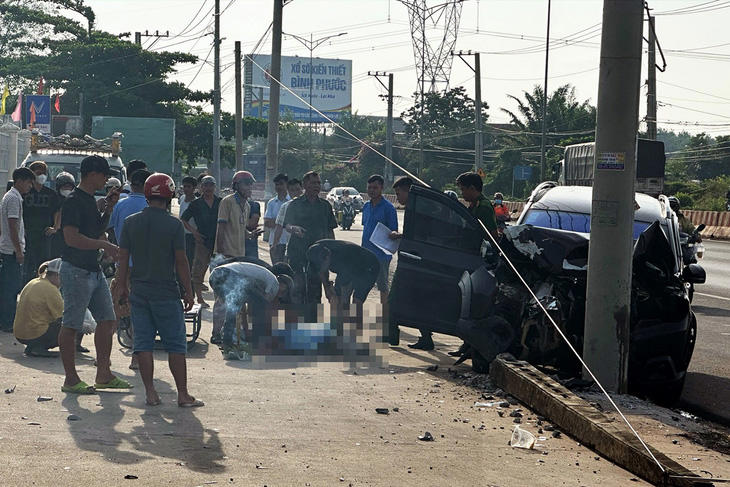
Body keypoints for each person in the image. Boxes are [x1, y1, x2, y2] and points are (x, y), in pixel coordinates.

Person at [116, 173, 202, 407]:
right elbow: (181, 261)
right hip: (166, 292)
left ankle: (151, 393)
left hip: (139, 291)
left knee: (143, 343)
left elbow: (123, 258)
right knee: (175, 345)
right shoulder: (173, 224)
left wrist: (122, 286)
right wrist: (188, 290)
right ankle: (182, 395)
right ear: (170, 195)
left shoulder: (130, 222)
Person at [58, 155, 131, 395]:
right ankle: (70, 379)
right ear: (91, 174)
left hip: (93, 269)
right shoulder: (74, 202)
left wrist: (109, 209)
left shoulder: (90, 200)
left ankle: (103, 374)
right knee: (71, 325)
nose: (106, 180)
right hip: (76, 270)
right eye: (103, 175)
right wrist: (104, 246)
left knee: (108, 320)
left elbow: (97, 230)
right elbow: (72, 238)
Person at [209, 261, 291, 360]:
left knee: (233, 309)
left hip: (215, 276)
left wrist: (247, 330)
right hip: (229, 274)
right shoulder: (274, 284)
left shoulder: (259, 284)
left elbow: (245, 310)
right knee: (260, 307)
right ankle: (257, 343)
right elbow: (261, 309)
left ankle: (227, 342)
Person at [283, 171, 337, 316]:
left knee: (315, 292)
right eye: (313, 183)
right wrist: (294, 229)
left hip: (318, 256)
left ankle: (314, 326)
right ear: (305, 184)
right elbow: (286, 225)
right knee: (297, 290)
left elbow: (330, 231)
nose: (317, 186)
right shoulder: (295, 204)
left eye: (318, 183)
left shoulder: (325, 206)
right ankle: (296, 325)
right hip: (297, 254)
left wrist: (333, 251)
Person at [386, 176, 432, 349]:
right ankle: (420, 336)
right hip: (411, 259)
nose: (397, 198)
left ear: (408, 191)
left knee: (396, 298)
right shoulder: (415, 208)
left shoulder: (418, 210)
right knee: (412, 300)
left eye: (399, 193)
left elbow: (419, 236)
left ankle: (393, 334)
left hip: (415, 262)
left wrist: (399, 236)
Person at [0, 168, 36, 332]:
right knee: (10, 288)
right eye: (29, 183)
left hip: (9, 248)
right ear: (20, 181)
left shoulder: (11, 197)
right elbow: (12, 225)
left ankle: (6, 320)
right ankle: (7, 322)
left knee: (9, 287)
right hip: (11, 251)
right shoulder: (13, 198)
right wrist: (18, 250)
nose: (30, 186)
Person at [181, 175, 221, 307]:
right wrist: (195, 232)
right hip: (202, 241)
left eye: (211, 185)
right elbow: (184, 219)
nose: (208, 188)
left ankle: (218, 298)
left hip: (218, 242)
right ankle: (199, 298)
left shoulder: (221, 202)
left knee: (219, 272)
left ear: (215, 187)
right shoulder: (196, 204)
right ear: (201, 187)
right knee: (198, 271)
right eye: (206, 185)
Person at [307, 239, 380, 309]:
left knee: (356, 303)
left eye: (323, 267)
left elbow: (345, 294)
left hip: (369, 267)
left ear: (327, 257)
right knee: (337, 298)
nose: (322, 270)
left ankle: (354, 320)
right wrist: (327, 289)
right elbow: (321, 272)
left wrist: (338, 302)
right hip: (350, 264)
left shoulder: (344, 260)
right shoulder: (316, 248)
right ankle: (339, 320)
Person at [13, 259, 64, 357]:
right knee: (71, 323)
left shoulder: (34, 281)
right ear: (56, 275)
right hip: (34, 333)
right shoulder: (51, 289)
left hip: (20, 333)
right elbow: (62, 315)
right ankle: (39, 347)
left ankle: (33, 346)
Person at [21, 161, 61, 286]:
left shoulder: (51, 193)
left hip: (44, 236)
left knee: (44, 266)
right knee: (26, 267)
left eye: (44, 173)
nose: (42, 176)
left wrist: (55, 227)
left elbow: (58, 211)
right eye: (38, 173)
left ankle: (43, 289)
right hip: (27, 236)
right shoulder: (25, 192)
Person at [361, 174, 398, 307]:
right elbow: (365, 227)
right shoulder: (366, 206)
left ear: (382, 188)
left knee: (382, 286)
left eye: (375, 187)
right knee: (361, 284)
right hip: (365, 252)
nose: (372, 190)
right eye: (369, 187)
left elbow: (393, 231)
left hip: (381, 255)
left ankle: (385, 316)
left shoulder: (388, 208)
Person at [108, 169, 151, 245]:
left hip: (121, 253)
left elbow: (108, 227)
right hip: (146, 255)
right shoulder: (152, 206)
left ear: (131, 185)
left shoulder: (118, 204)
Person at [456, 172, 497, 238]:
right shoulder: (473, 204)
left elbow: (494, 235)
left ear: (472, 188)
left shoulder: (483, 207)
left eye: (463, 189)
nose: (461, 193)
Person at [271, 178, 304, 263]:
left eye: (298, 189)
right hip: (292, 247)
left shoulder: (310, 205)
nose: (296, 192)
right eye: (292, 190)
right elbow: (279, 226)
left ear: (302, 189)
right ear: (288, 192)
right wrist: (274, 245)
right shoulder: (285, 206)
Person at [265, 173, 291, 264]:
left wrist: (277, 221)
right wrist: (284, 223)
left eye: (281, 184)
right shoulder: (271, 203)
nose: (279, 187)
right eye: (277, 184)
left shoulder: (292, 202)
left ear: (287, 185)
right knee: (277, 270)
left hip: (289, 242)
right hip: (275, 243)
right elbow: (267, 223)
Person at [179, 176, 198, 270]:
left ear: (194, 188)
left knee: (189, 260)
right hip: (181, 234)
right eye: (184, 186)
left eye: (188, 187)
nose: (186, 189)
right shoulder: (182, 198)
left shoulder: (197, 203)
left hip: (191, 236)